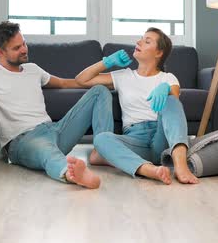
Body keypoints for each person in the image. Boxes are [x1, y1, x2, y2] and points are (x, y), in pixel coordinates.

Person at [0, 21, 112, 189]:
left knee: (99, 91)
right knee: (48, 153)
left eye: (24, 43)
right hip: (23, 140)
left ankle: (103, 151)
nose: (24, 49)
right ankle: (70, 173)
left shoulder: (34, 69)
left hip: (55, 130)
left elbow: (65, 83)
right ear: (0, 52)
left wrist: (109, 80)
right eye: (17, 48)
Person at [75, 28, 199, 185]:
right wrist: (107, 62)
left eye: (147, 41)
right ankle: (148, 170)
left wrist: (166, 89)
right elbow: (81, 80)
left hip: (161, 136)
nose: (139, 42)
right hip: (134, 139)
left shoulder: (167, 78)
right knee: (101, 139)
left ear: (159, 53)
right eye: (141, 39)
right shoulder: (124, 76)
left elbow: (174, 104)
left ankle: (180, 166)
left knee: (171, 101)